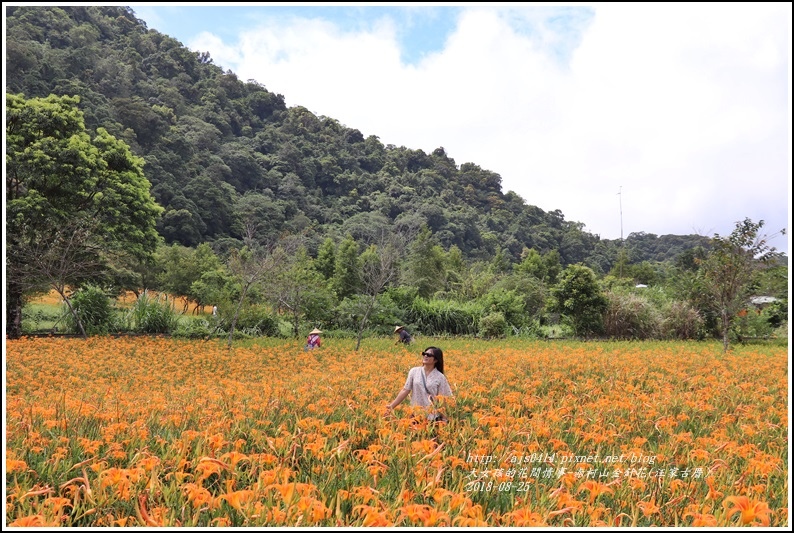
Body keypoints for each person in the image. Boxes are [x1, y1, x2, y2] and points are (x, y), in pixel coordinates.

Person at [386, 346, 452, 420]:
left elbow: (443, 399)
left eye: (429, 355)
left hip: (432, 416)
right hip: (415, 414)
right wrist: (391, 406)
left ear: (436, 360)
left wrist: (445, 419)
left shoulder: (440, 377)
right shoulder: (414, 371)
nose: (425, 356)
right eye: (424, 354)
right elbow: (405, 390)